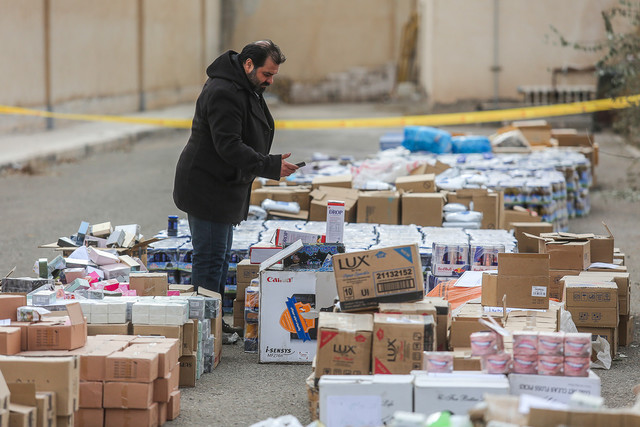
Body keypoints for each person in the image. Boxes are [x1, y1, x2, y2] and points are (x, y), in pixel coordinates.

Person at [173, 40, 298, 335]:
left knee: (218, 256)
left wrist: (268, 163)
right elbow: (228, 146)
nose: (269, 81)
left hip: (225, 185)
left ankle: (214, 325)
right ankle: (204, 331)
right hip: (206, 186)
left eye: (273, 76)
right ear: (248, 64)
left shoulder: (245, 86)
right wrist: (269, 165)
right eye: (267, 74)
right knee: (209, 258)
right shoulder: (223, 91)